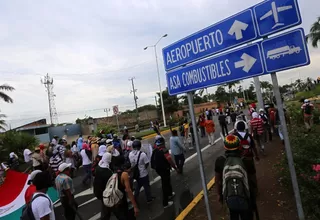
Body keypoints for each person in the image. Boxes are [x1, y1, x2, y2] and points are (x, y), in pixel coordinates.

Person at [215, 135, 254, 220]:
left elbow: (218, 180)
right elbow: (252, 179)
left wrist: (219, 194)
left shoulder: (220, 161)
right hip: (245, 196)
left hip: (229, 197)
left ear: (225, 147)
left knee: (233, 216)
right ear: (239, 146)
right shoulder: (246, 160)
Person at [234, 121, 260, 197]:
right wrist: (256, 155)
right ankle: (255, 190)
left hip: (238, 159)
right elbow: (253, 147)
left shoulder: (234, 136)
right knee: (252, 174)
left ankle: (242, 191)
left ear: (236, 128)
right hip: (249, 158)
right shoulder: (248, 136)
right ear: (244, 128)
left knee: (239, 174)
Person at [151, 136, 177, 208]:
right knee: (165, 184)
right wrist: (175, 168)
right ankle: (165, 203)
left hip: (158, 170)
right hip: (164, 169)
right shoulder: (164, 150)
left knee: (167, 181)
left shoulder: (155, 150)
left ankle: (170, 194)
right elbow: (170, 160)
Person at [129, 140, 154, 204]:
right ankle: (149, 199)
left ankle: (135, 198)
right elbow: (147, 163)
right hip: (143, 174)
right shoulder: (142, 154)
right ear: (139, 146)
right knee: (146, 186)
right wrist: (143, 168)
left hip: (136, 174)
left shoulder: (130, 154)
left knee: (138, 186)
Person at [93, 152, 113, 220]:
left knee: (104, 206)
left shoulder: (99, 167)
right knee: (106, 208)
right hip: (104, 192)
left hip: (98, 190)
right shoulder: (107, 172)